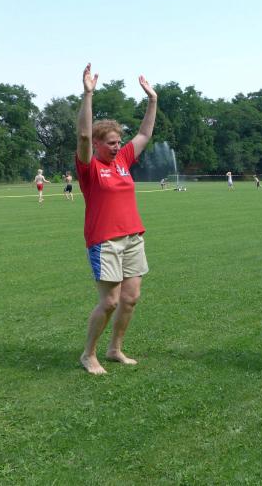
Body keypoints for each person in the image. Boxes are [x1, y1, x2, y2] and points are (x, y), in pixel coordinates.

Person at [76, 63, 157, 375]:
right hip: (105, 241)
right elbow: (83, 134)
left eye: (118, 142)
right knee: (109, 302)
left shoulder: (122, 160)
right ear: (97, 144)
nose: (117, 146)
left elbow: (145, 133)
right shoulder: (89, 168)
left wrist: (152, 100)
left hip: (133, 237)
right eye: (110, 143)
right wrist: (88, 94)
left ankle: (115, 349)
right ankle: (89, 354)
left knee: (131, 298)